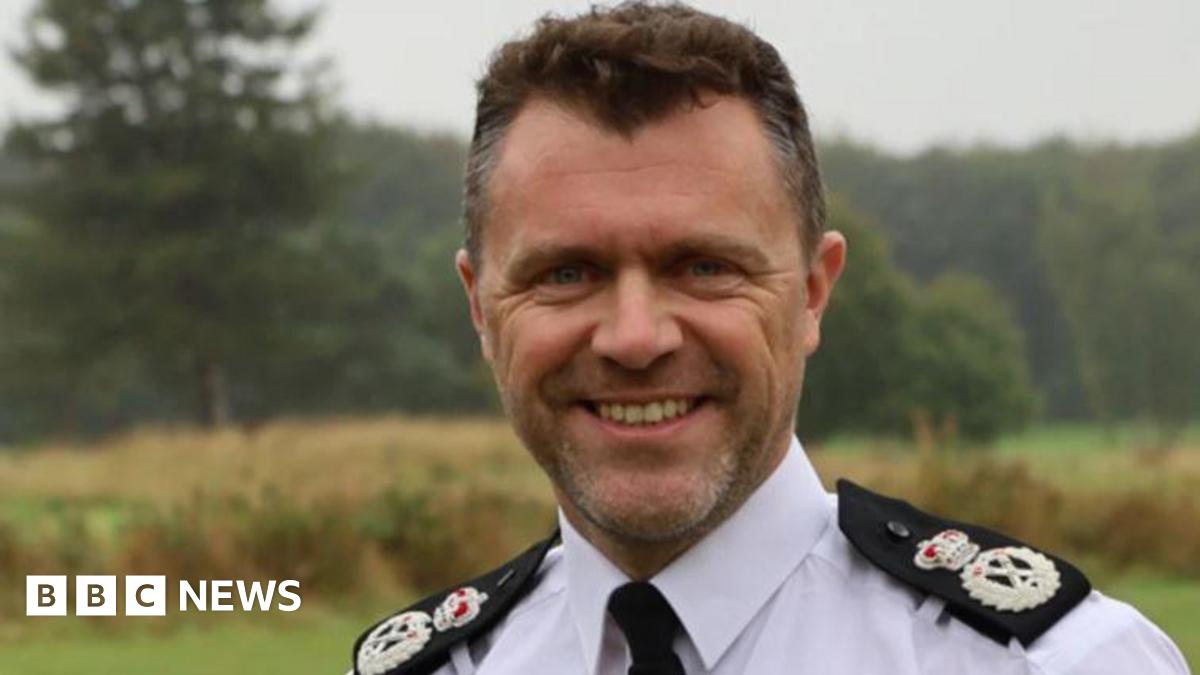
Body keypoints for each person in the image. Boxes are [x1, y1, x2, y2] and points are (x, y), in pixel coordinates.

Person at [350, 3, 1190, 674]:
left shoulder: (1052, 663)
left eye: (704, 266)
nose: (635, 338)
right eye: (566, 273)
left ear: (813, 292)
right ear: (481, 307)